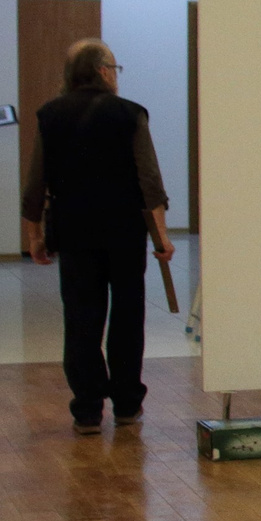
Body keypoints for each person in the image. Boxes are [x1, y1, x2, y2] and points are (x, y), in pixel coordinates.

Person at [20, 41, 175, 433]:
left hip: (74, 233)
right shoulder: (130, 114)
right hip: (124, 232)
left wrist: (34, 235)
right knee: (127, 317)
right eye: (115, 67)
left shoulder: (50, 115)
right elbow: (149, 181)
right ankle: (126, 404)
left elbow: (35, 183)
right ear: (104, 71)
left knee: (81, 319)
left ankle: (87, 410)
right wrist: (161, 238)